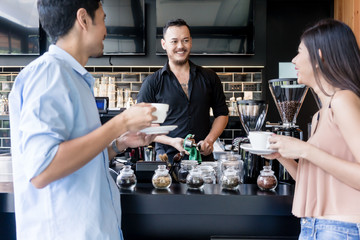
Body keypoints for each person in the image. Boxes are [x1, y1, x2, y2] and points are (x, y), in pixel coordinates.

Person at [9, 0, 157, 239]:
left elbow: (76, 159)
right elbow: (42, 169)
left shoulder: (71, 77)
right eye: (104, 18)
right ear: (83, 19)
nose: (106, 30)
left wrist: (119, 144)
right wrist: (120, 123)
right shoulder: (49, 74)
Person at [264, 19, 360, 239]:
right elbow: (314, 180)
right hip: (314, 227)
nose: (294, 60)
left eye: (299, 52)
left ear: (320, 57)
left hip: (340, 229)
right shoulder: (319, 114)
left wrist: (305, 150)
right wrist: (282, 156)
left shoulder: (343, 100)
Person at [137, 18, 229, 162]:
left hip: (203, 161)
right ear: (164, 44)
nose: (180, 46)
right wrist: (172, 141)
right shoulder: (152, 82)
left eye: (185, 40)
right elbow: (145, 125)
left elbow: (222, 114)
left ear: (191, 42)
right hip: (167, 161)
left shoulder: (209, 77)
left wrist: (209, 140)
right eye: (174, 41)